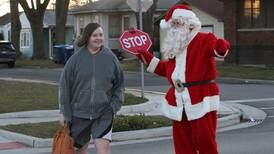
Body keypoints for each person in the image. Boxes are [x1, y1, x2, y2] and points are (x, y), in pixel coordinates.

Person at [136, 4, 230, 154]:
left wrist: (220, 47)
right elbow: (166, 70)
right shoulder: (175, 46)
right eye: (173, 24)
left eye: (177, 23)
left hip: (201, 97)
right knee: (182, 143)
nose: (175, 28)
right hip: (179, 99)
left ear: (189, 22)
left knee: (204, 140)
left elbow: (217, 49)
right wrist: (148, 59)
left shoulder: (204, 39)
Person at [58, 23, 124, 154]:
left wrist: (113, 107)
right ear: (87, 37)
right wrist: (64, 112)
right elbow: (65, 87)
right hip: (79, 114)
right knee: (80, 151)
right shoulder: (75, 59)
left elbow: (119, 85)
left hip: (103, 113)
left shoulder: (110, 58)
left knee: (103, 150)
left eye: (101, 35)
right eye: (95, 35)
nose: (98, 38)